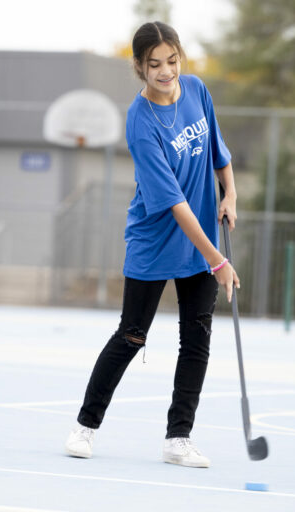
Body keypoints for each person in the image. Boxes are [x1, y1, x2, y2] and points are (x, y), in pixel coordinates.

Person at [64, 21, 239, 468]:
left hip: (200, 239)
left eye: (172, 61)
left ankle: (178, 438)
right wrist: (216, 260)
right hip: (158, 238)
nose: (166, 72)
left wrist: (230, 194)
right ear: (139, 67)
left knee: (196, 339)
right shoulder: (140, 123)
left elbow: (219, 153)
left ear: (181, 57)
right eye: (154, 64)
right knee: (131, 335)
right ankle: (85, 426)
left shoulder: (197, 90)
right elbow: (176, 205)